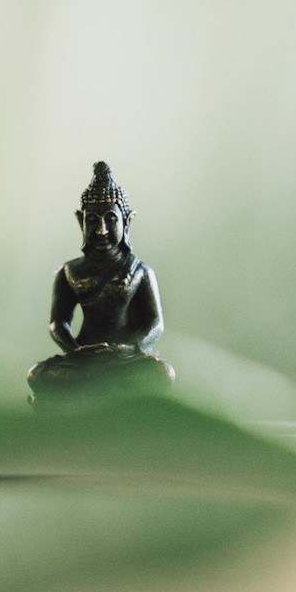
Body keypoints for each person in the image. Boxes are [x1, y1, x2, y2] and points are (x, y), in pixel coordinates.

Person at [27, 161, 175, 408]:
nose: (102, 230)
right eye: (93, 220)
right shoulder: (69, 271)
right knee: (37, 374)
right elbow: (58, 323)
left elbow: (155, 324)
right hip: (84, 359)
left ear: (127, 221)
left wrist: (128, 348)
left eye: (111, 219)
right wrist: (76, 350)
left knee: (161, 374)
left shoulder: (140, 271)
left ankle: (93, 395)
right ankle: (109, 393)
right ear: (80, 221)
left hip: (124, 359)